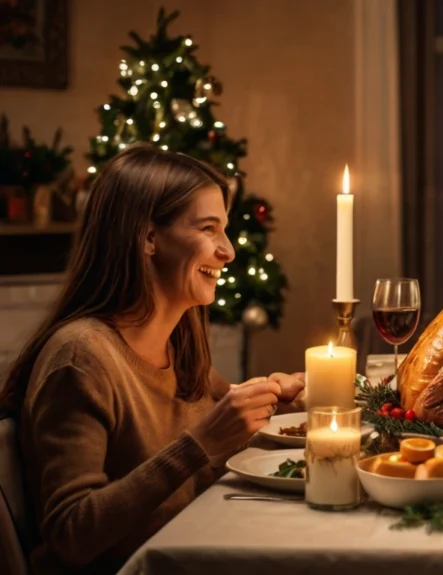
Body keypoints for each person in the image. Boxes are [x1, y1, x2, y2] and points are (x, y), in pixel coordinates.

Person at [0, 145, 305, 574]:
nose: (228, 251)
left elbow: (226, 412)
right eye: (208, 229)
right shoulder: (80, 357)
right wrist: (197, 446)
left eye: (225, 230)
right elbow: (71, 533)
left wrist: (283, 396)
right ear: (147, 238)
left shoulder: (179, 339)